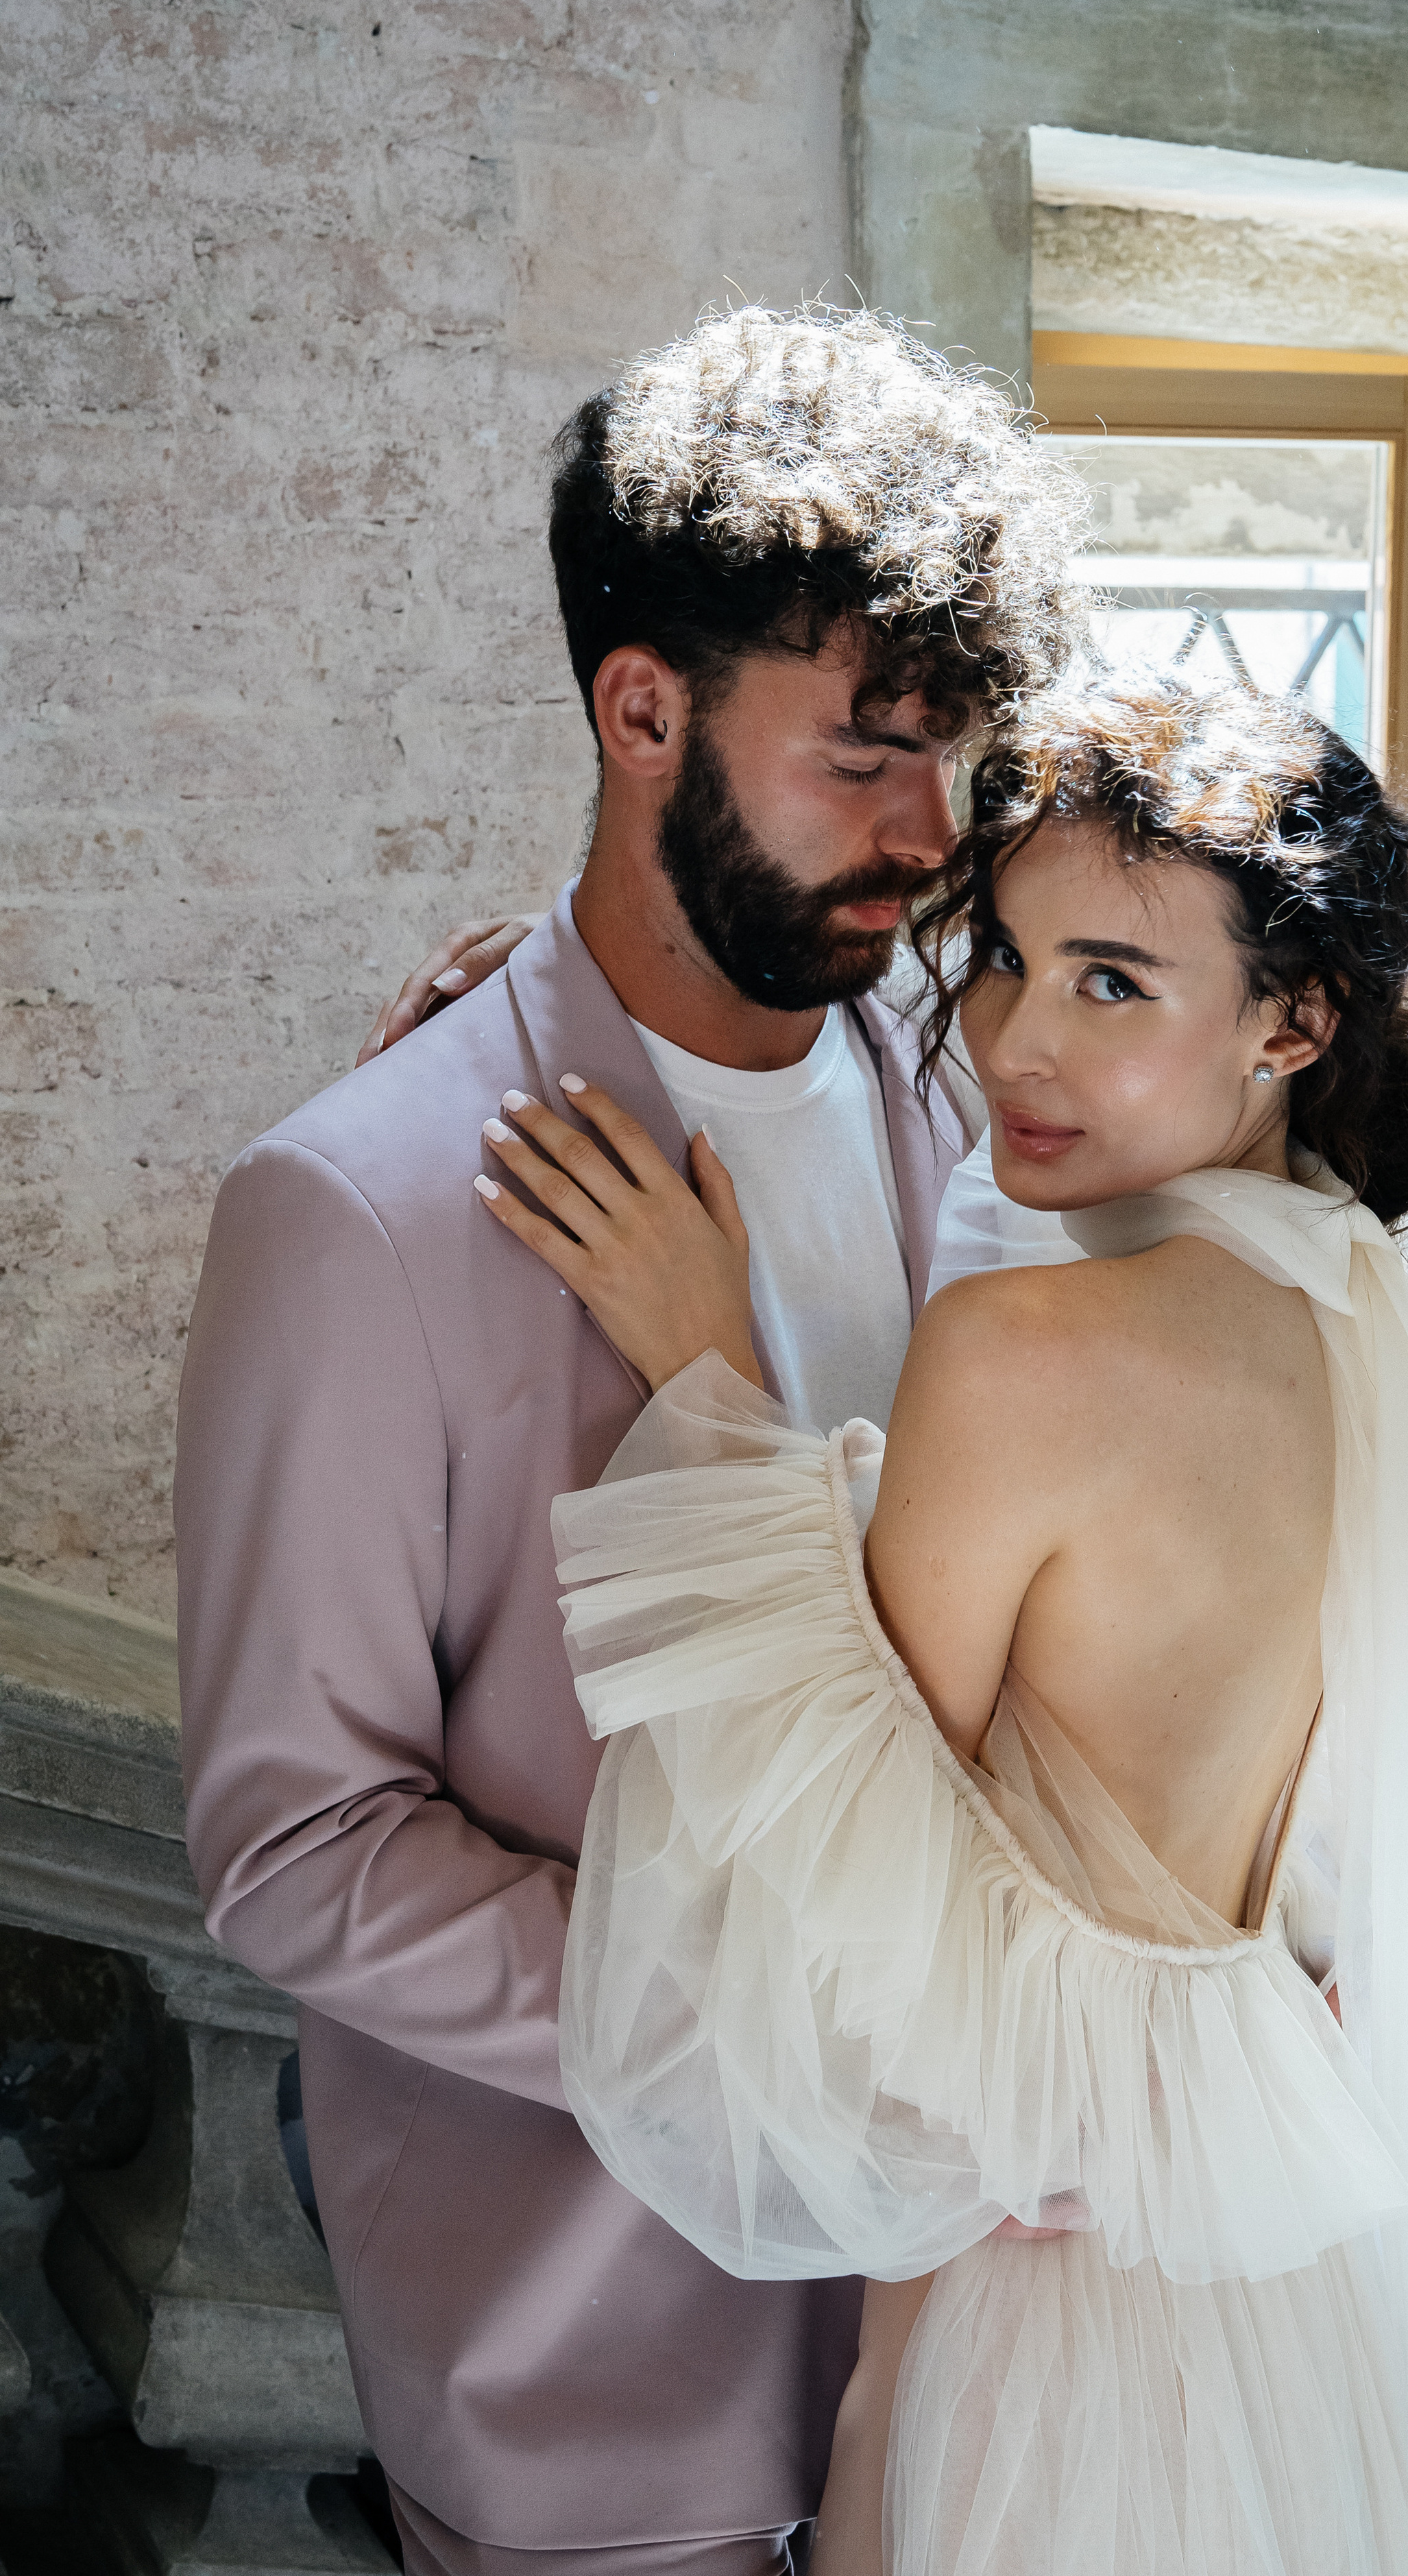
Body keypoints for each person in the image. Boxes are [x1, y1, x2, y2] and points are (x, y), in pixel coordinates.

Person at [475, 681, 1408, 2574]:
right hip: (1279, 2308)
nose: (1011, 1038)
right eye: (1005, 959)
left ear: (1292, 1019)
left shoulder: (1030, 1349)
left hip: (1062, 2346)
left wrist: (708, 1373)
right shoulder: (1371, 1306)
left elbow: (843, 1896)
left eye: (1113, 983)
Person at [174, 304, 1084, 2576]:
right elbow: (296, 1846)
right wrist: (762, 2038)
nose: (928, 833)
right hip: (598, 2387)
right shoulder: (357, 1209)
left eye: (951, 754)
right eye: (865, 752)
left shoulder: (964, 1089)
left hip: (969, 2350)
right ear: (641, 710)